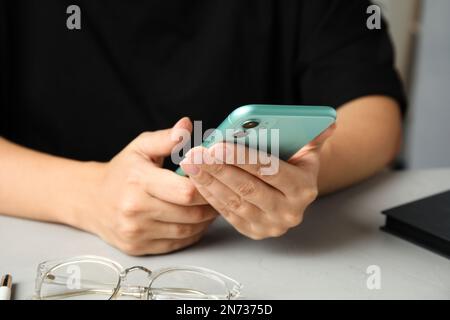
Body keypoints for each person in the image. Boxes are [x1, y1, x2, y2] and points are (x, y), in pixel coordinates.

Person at [0, 0, 405, 255]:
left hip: (256, 259)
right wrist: (88, 195)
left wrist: (298, 174)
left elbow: (374, 111)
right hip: (48, 250)